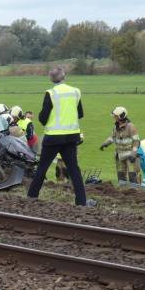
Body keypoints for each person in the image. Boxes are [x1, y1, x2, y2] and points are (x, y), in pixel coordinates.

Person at [27, 66, 93, 206]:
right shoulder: (75, 91)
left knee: (42, 168)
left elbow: (43, 118)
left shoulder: (51, 93)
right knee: (74, 169)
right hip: (71, 137)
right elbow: (80, 113)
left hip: (53, 137)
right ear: (64, 76)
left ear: (51, 79)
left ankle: (32, 197)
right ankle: (81, 201)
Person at [100, 107, 141, 186]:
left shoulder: (131, 127)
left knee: (133, 176)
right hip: (119, 155)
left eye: (115, 116)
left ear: (121, 116)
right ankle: (123, 190)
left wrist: (133, 153)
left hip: (130, 155)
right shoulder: (116, 126)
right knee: (121, 176)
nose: (114, 117)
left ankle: (136, 191)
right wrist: (105, 144)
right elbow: (112, 137)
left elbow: (136, 141)